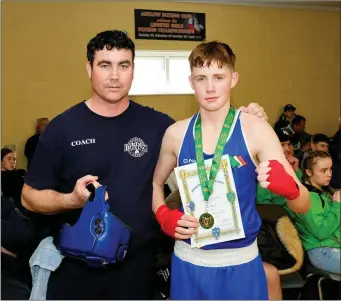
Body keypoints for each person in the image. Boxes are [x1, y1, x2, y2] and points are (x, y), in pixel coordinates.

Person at [21, 30, 269, 300]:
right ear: (89, 68)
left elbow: (204, 140)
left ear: (133, 69)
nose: (115, 75)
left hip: (138, 271)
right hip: (77, 271)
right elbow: (29, 198)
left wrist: (247, 123)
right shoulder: (62, 129)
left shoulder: (159, 125)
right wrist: (71, 200)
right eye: (105, 65)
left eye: (123, 65)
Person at [152, 41, 310, 300]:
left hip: (241, 265)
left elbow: (303, 204)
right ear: (191, 81)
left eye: (219, 77)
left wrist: (291, 189)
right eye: (201, 78)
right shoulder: (176, 134)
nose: (210, 87)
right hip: (188, 263)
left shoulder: (255, 129)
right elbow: (156, 183)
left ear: (233, 79)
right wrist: (162, 214)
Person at [296, 151, 340, 274]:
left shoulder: (323, 192)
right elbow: (321, 232)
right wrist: (337, 206)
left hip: (333, 246)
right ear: (309, 172)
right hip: (323, 251)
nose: (329, 174)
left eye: (330, 169)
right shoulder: (308, 197)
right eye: (323, 170)